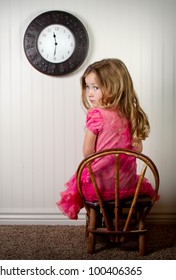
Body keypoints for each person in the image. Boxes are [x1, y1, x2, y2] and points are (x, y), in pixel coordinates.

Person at [56, 58, 159, 220]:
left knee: (83, 176)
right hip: (127, 185)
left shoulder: (96, 115)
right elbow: (138, 150)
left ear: (114, 87)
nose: (89, 93)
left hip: (100, 187)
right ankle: (115, 221)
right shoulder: (130, 114)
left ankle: (101, 222)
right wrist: (119, 153)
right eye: (88, 87)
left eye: (95, 88)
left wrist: (106, 158)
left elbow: (88, 152)